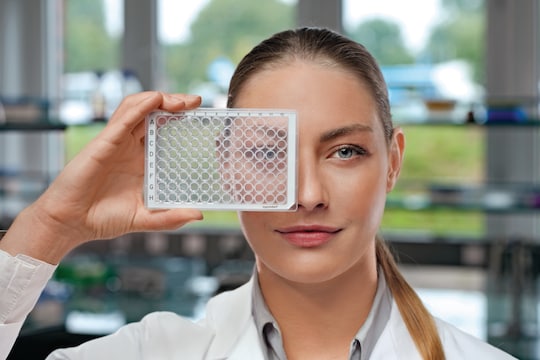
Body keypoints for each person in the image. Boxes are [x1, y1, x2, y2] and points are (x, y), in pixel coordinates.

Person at [0, 27, 515, 360]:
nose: (308, 194)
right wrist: (49, 227)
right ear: (226, 168)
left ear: (393, 164)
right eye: (269, 154)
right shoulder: (150, 352)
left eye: (345, 152)